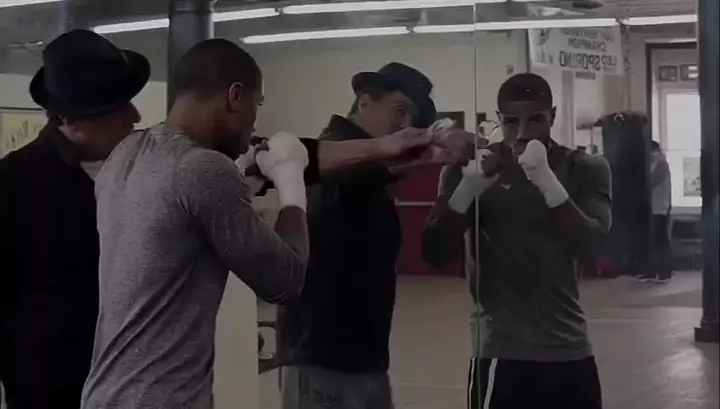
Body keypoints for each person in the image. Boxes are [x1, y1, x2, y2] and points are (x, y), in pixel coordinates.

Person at [79, 41, 460, 408]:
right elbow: (285, 280)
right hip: (164, 399)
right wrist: (290, 182)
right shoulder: (204, 169)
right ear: (235, 97)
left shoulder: (126, 153)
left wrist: (388, 149)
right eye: (256, 105)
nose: (254, 123)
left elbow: (180, 213)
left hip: (104, 392)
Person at [276, 62, 474, 409]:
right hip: (320, 358)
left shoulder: (375, 170)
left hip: (364, 360)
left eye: (412, 117)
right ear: (365, 102)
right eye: (399, 110)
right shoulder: (329, 155)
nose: (405, 124)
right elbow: (356, 173)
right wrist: (432, 141)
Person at [422, 73, 611, 409]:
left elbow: (593, 247)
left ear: (552, 116)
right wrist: (466, 192)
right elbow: (435, 252)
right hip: (501, 352)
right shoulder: (474, 169)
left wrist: (546, 181)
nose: (523, 132)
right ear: (499, 120)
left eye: (535, 119)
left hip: (569, 349)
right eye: (511, 122)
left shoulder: (583, 167)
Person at [0, 29, 149, 409]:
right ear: (73, 120)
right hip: (51, 393)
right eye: (118, 108)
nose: (135, 117)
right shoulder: (12, 184)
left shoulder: (139, 172)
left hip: (133, 386)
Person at [637, 140, 672, 283]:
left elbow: (652, 181)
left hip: (660, 208)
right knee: (653, 241)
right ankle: (652, 271)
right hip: (654, 207)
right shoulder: (654, 163)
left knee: (660, 240)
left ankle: (665, 272)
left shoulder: (661, 164)